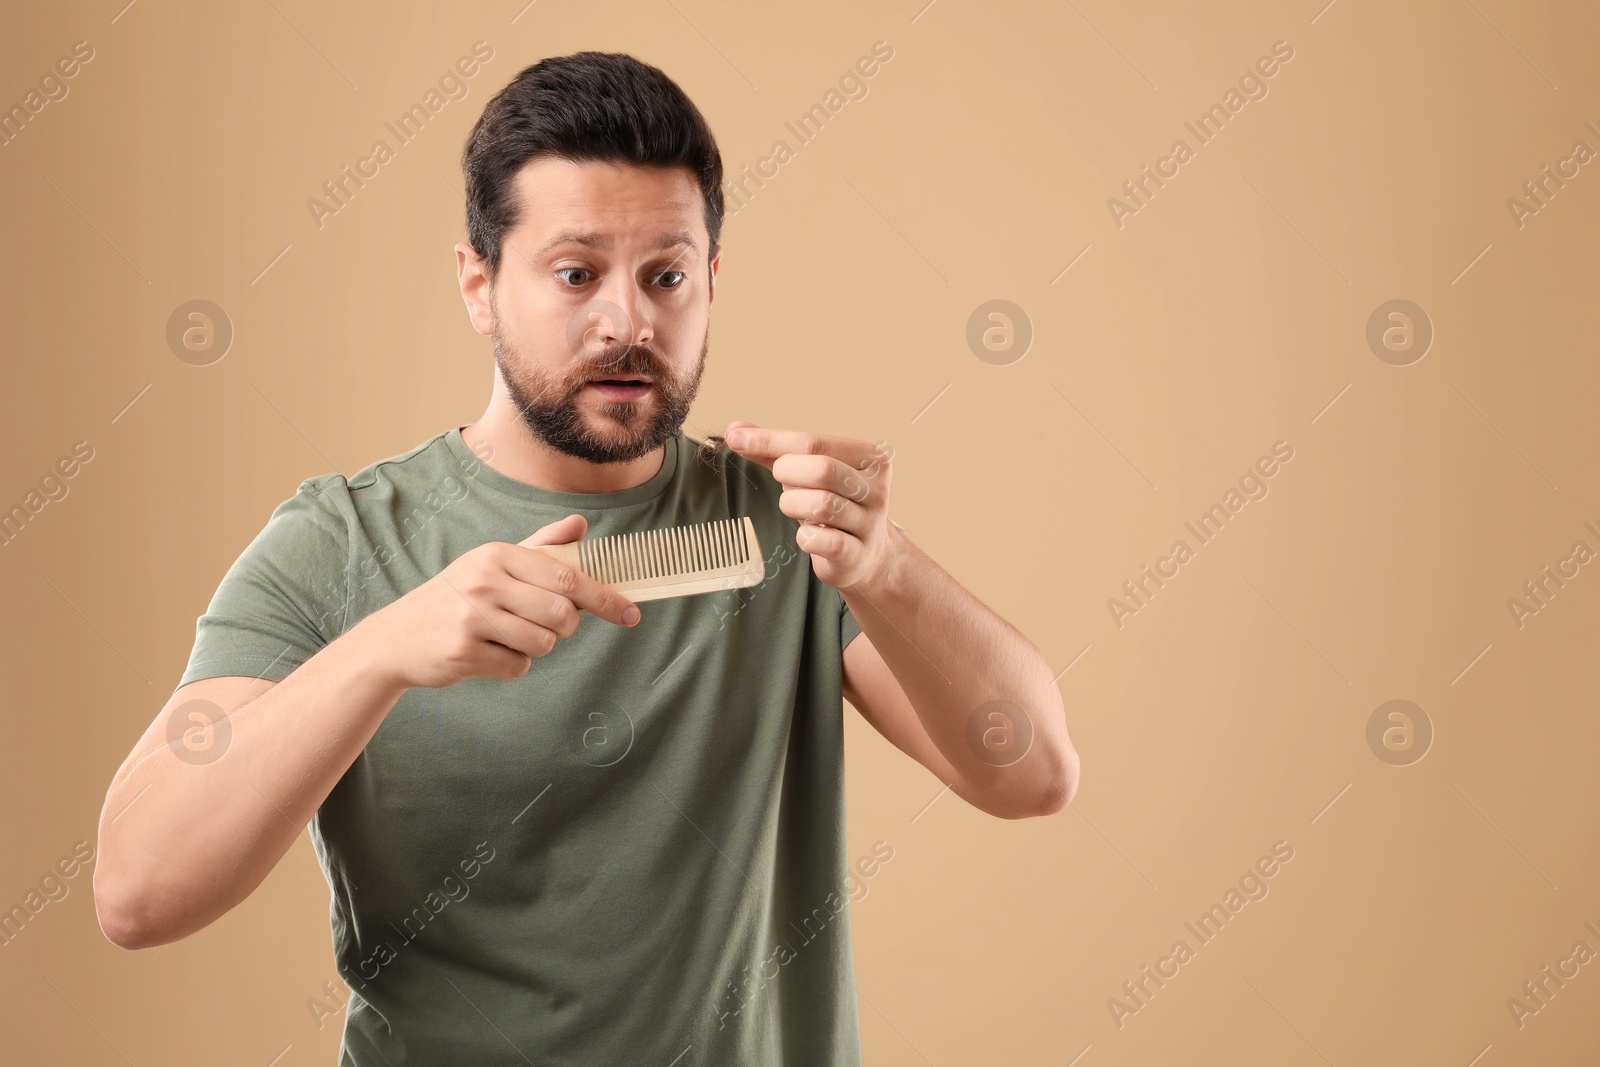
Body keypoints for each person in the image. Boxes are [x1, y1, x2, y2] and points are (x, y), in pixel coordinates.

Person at [93, 50, 1079, 1065]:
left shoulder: (787, 531)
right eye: (575, 273)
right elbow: (137, 889)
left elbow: (1033, 772)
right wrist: (381, 649)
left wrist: (886, 567)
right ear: (479, 284)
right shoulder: (341, 544)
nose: (628, 321)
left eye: (666, 276)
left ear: (710, 280)